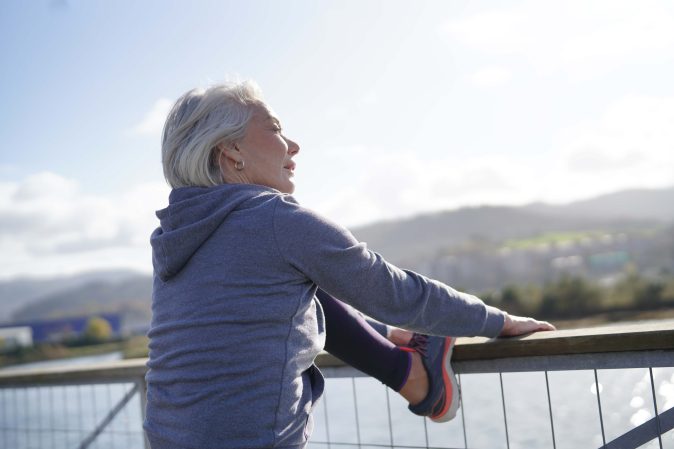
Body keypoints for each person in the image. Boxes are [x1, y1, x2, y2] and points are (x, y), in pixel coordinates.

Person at [144, 80, 555, 449]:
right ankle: (410, 363)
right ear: (231, 150)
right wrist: (496, 321)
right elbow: (394, 292)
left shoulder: (177, 237)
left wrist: (388, 332)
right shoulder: (273, 220)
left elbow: (269, 306)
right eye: (274, 128)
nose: (293, 144)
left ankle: (404, 352)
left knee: (299, 279)